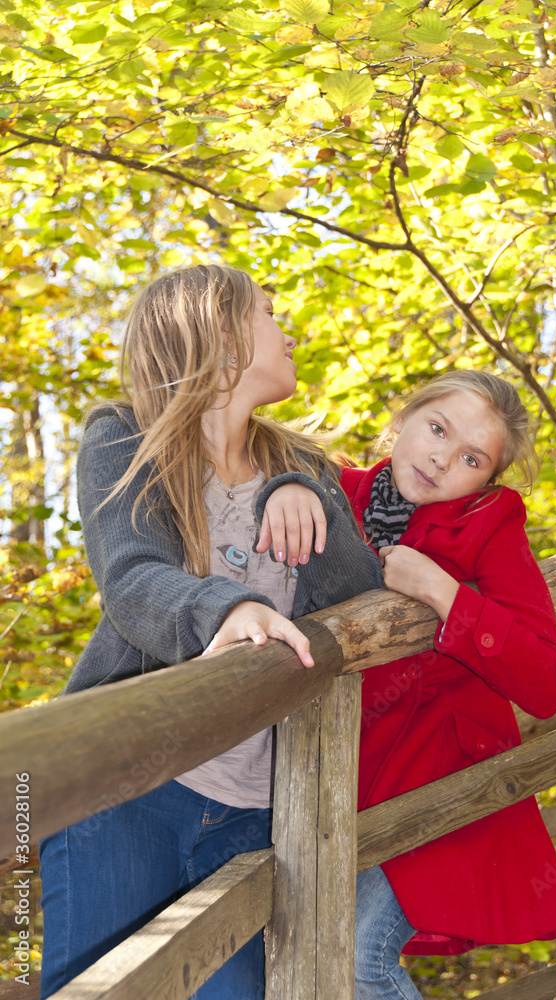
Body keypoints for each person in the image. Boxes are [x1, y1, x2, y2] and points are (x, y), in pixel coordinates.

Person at [38, 264, 382, 1000]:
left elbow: (360, 596)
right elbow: (131, 578)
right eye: (267, 312)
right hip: (127, 788)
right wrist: (223, 609)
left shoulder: (304, 463)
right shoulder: (121, 434)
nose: (287, 330)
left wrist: (304, 490)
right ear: (221, 335)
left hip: (262, 805)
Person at [267, 370, 556, 997]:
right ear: (404, 417)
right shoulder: (327, 492)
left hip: (442, 784)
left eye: (472, 458)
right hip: (331, 783)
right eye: (437, 429)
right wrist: (284, 488)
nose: (442, 458)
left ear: (487, 481)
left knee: (355, 957)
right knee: (305, 957)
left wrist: (444, 592)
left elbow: (546, 681)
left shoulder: (490, 524)